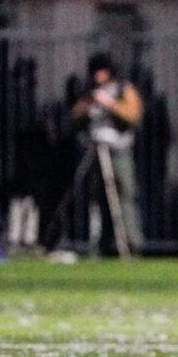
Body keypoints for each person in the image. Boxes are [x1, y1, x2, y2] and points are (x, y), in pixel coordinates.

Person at [71, 53, 145, 255]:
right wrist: (86, 106)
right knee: (98, 197)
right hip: (95, 148)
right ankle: (102, 242)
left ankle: (131, 241)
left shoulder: (123, 89)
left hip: (119, 149)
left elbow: (133, 115)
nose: (98, 75)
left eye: (102, 71)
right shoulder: (89, 92)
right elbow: (75, 116)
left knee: (124, 194)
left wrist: (109, 104)